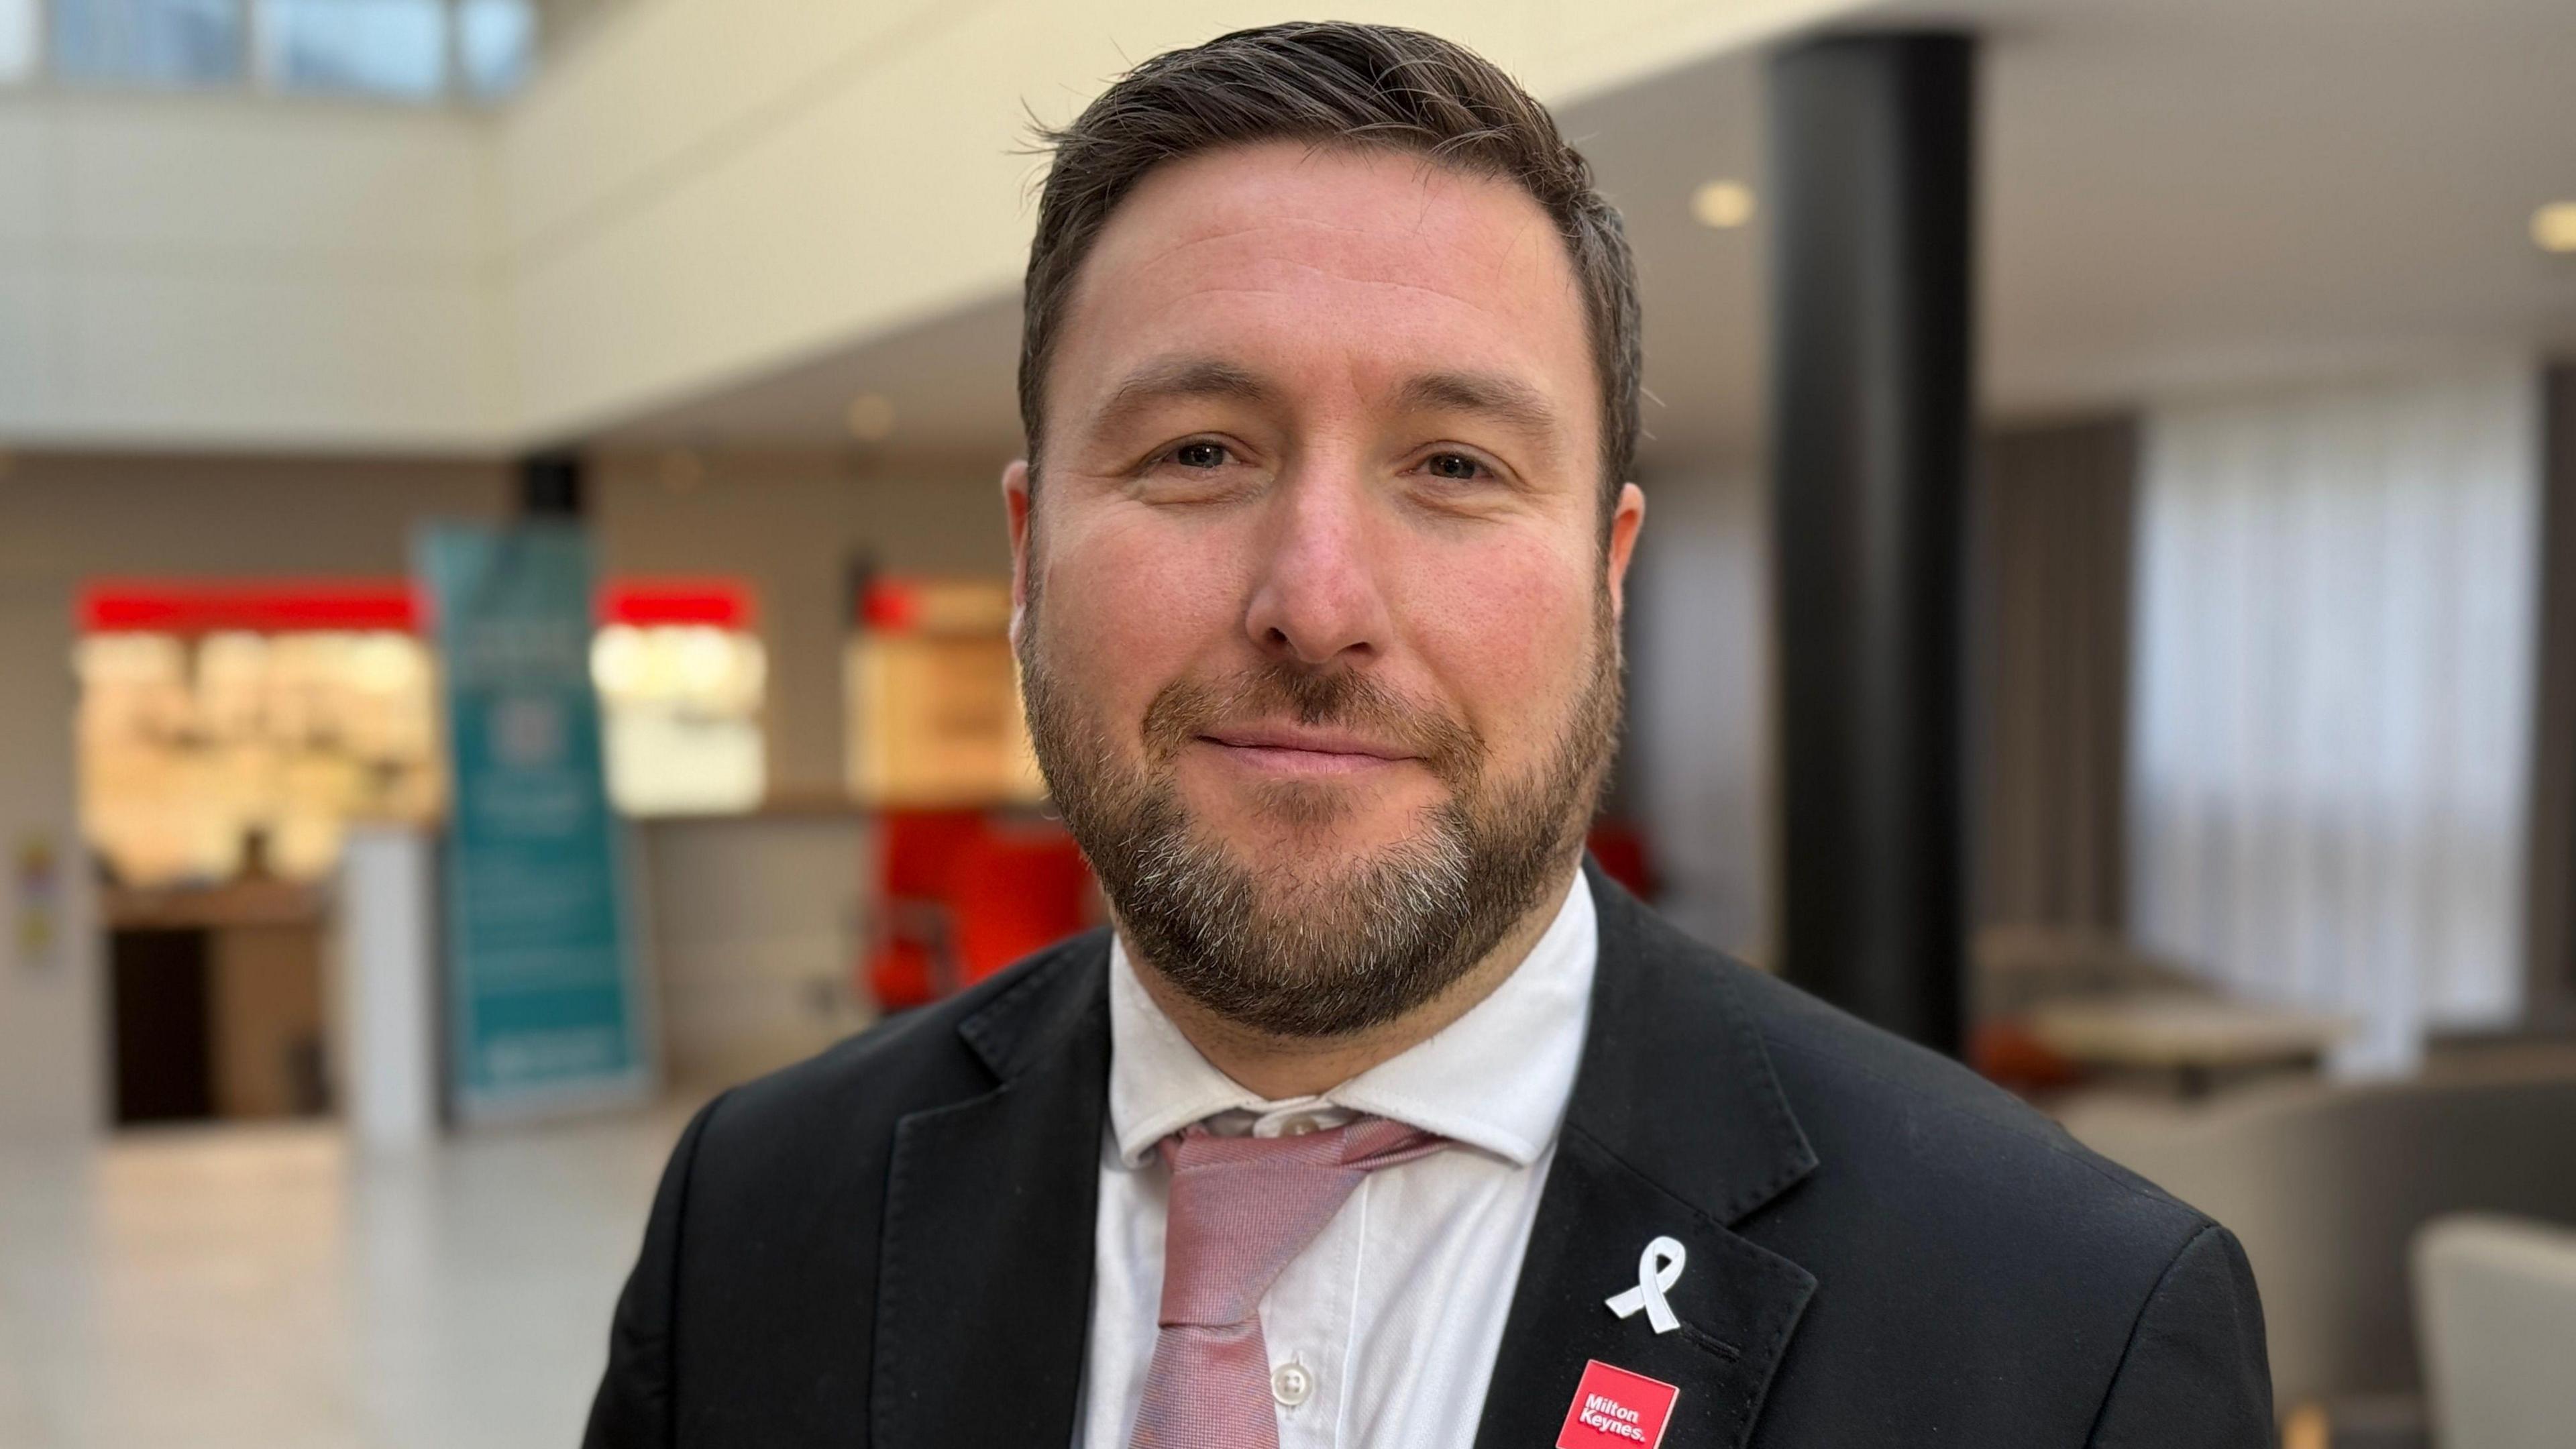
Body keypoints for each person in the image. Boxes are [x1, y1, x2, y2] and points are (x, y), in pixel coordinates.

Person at [583, 21, 2270, 1448]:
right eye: (1195, 452)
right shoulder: (757, 1213)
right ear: (1027, 556)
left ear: (1606, 581)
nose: (1317, 602)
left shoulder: (2067, 1331)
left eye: (1456, 466)